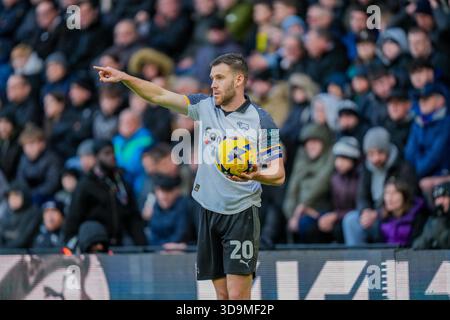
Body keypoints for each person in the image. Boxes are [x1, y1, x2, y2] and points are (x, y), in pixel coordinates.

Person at [93, 52, 285, 300]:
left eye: (219, 78)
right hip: (207, 212)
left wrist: (254, 173)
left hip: (241, 215)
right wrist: (125, 78)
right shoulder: (203, 106)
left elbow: (278, 173)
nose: (213, 83)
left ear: (239, 80)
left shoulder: (262, 120)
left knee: (239, 299)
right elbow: (159, 95)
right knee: (222, 297)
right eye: (211, 78)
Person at [64, 140, 147, 249]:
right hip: (95, 248)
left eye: (113, 152)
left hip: (119, 246)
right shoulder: (85, 185)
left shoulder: (122, 182)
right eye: (107, 153)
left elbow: (133, 218)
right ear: (96, 157)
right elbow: (73, 218)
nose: (112, 157)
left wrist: (142, 246)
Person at [342, 127, 417, 246]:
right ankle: (357, 261)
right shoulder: (366, 168)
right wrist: (365, 211)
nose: (375, 158)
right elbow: (362, 196)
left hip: (393, 215)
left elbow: (407, 199)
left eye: (380, 153)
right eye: (371, 154)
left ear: (387, 150)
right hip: (372, 214)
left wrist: (378, 213)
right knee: (351, 220)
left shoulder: (403, 168)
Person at [0, 181, 41, 248]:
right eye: (10, 196)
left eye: (16, 195)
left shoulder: (33, 212)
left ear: (25, 196)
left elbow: (23, 239)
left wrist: (4, 251)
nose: (13, 199)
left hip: (27, 254)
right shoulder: (6, 212)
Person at [413, 182, 450, 249]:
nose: (440, 201)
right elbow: (417, 246)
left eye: (444, 196)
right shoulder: (432, 219)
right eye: (437, 198)